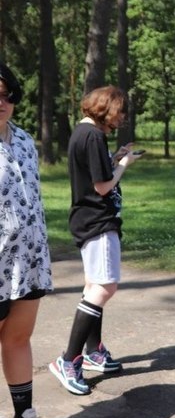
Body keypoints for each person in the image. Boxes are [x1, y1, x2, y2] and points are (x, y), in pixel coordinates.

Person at [49, 86, 143, 396]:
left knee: (94, 286)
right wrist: (124, 165)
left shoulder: (84, 133)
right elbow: (103, 186)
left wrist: (115, 158)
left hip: (89, 219)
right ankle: (69, 359)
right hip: (97, 221)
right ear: (106, 109)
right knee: (104, 287)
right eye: (120, 111)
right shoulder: (92, 136)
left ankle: (93, 351)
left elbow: (96, 173)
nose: (122, 118)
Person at [0, 63, 55, 418]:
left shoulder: (23, 140)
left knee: (19, 337)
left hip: (28, 260)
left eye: (6, 95)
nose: (1, 103)